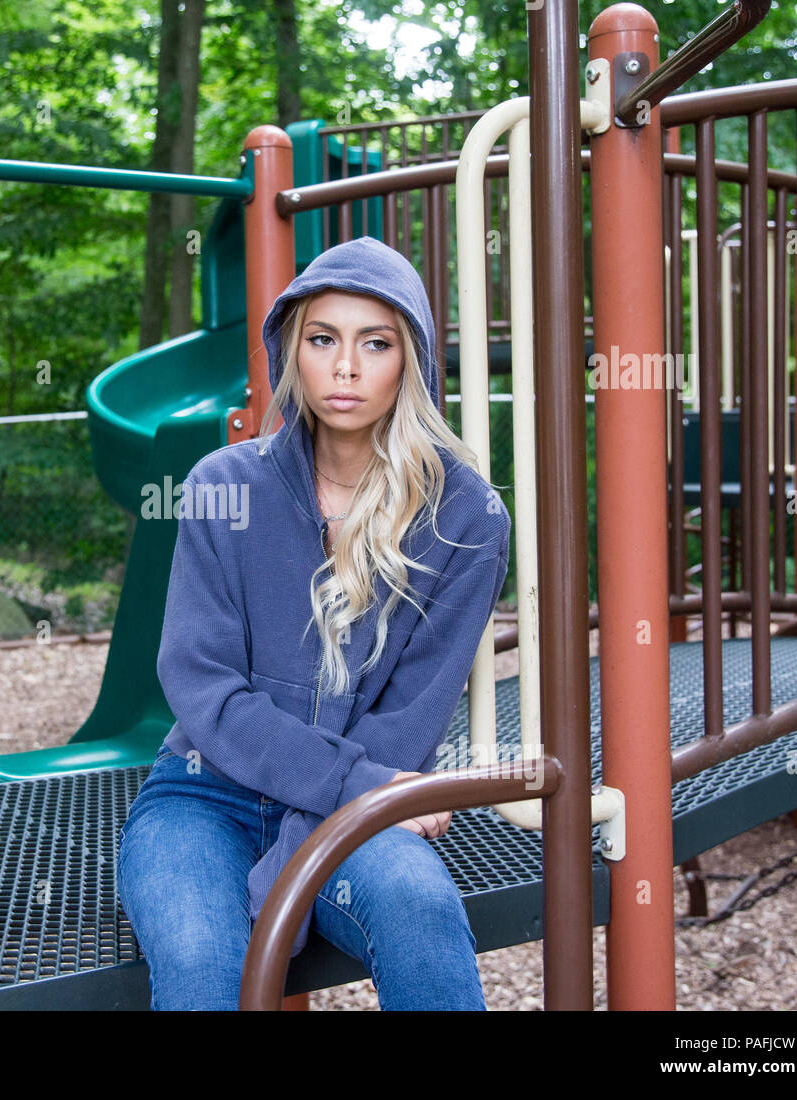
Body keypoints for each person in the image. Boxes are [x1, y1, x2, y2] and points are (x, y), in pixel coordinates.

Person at [116, 235, 511, 1011]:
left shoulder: (467, 517)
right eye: (323, 339)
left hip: (365, 805)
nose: (347, 367)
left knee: (420, 913)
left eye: (377, 343)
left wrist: (321, 831)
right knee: (201, 965)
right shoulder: (221, 486)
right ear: (292, 350)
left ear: (415, 360)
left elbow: (409, 718)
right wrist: (352, 785)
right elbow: (205, 687)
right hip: (205, 794)